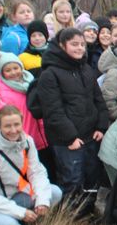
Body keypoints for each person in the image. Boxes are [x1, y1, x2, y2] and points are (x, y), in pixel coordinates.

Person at [36, 27, 108, 197]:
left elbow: (98, 99)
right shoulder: (50, 74)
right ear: (62, 45)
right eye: (74, 44)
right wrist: (70, 137)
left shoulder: (85, 69)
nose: (79, 48)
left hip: (90, 135)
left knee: (92, 178)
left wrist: (101, 125)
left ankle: (90, 210)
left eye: (82, 44)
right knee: (72, 180)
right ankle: (71, 212)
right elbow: (53, 110)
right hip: (66, 140)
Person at [0, 52, 50, 174]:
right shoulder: (3, 93)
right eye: (8, 70)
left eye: (16, 68)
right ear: (2, 73)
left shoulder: (30, 82)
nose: (13, 72)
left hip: (41, 134)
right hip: (22, 138)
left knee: (45, 169)